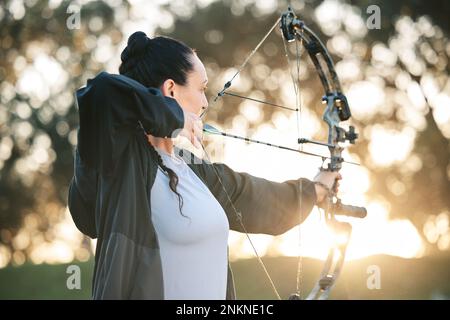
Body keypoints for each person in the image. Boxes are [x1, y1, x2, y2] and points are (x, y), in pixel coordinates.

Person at [68, 31, 341, 300]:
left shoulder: (191, 170)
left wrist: (316, 190)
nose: (205, 102)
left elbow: (256, 197)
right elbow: (101, 93)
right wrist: (174, 116)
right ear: (171, 89)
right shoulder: (118, 160)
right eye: (201, 88)